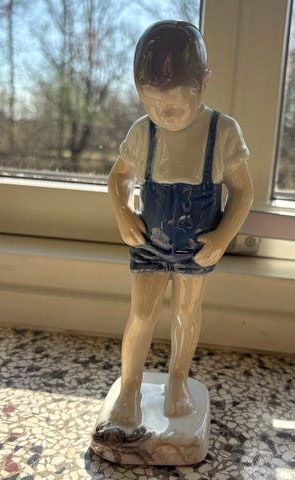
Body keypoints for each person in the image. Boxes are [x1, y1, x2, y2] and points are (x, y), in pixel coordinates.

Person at [108, 20, 253, 427]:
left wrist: (223, 237)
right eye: (152, 105)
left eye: (174, 106)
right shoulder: (143, 132)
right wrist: (123, 213)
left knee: (186, 314)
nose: (163, 115)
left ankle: (177, 381)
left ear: (203, 84)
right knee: (141, 315)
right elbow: (117, 178)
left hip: (198, 241)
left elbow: (243, 191)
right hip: (148, 238)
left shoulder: (222, 131)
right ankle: (130, 386)